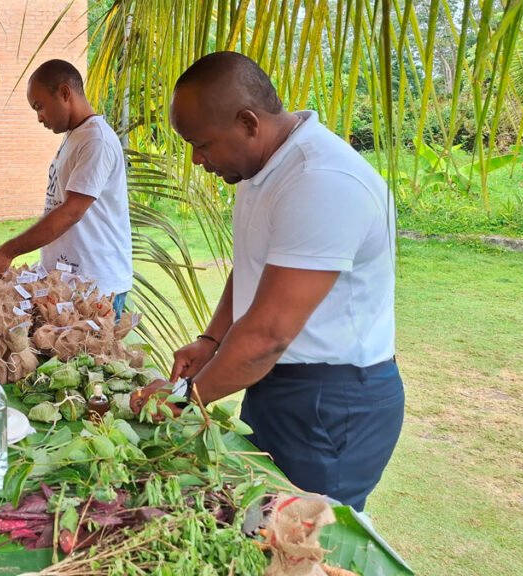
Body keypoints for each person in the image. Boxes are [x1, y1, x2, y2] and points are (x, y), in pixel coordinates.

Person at [167, 52, 403, 511]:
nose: (197, 160)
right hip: (278, 385)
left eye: (202, 144)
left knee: (311, 544)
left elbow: (268, 334)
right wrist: (211, 339)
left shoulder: (321, 180)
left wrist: (180, 401)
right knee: (262, 524)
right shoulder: (261, 170)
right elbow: (255, 265)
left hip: (331, 404)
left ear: (248, 122)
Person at [0, 60, 132, 319]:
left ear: (64, 93)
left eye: (39, 106)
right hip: (68, 287)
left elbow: (71, 212)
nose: (39, 117)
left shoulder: (96, 140)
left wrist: (8, 251)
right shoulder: (76, 136)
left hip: (95, 292)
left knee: (87, 361)